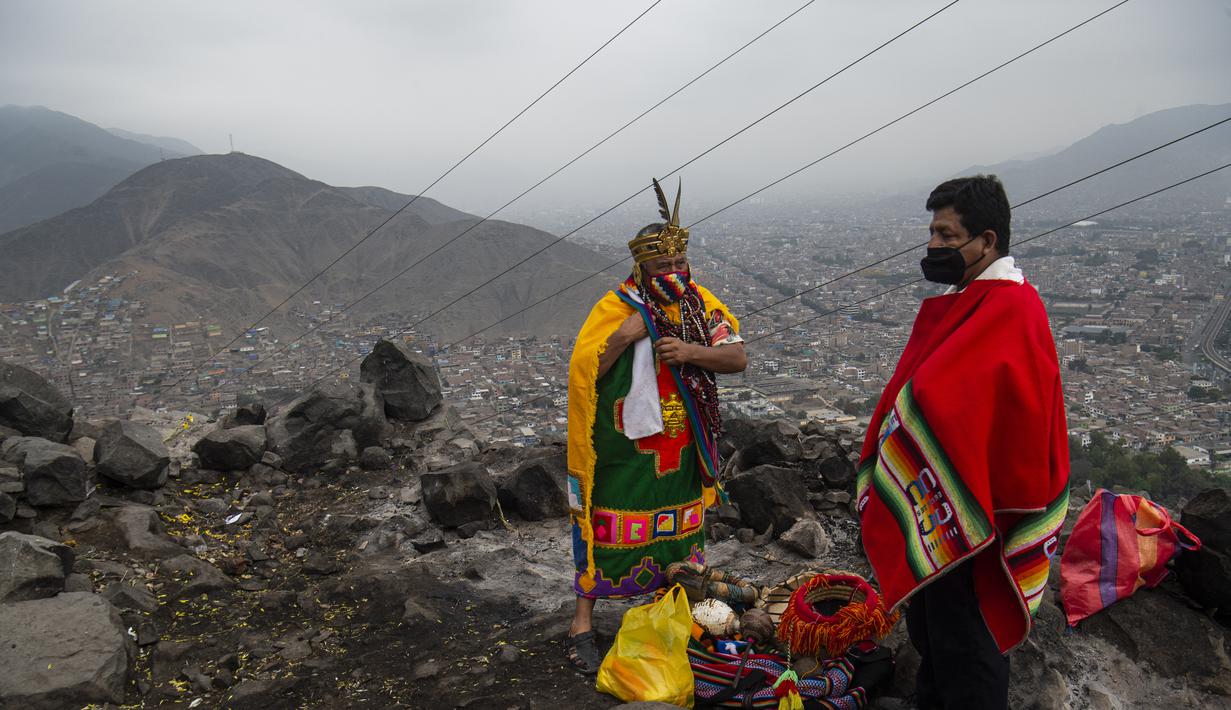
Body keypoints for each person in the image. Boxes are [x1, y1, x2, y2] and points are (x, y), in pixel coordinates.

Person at [855, 175, 1069, 709]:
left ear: (987, 242)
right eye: (933, 232)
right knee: (933, 633)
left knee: (967, 642)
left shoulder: (1011, 310)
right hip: (947, 499)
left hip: (982, 512)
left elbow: (990, 411)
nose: (933, 245)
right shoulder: (969, 298)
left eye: (947, 236)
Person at [563, 178, 747, 673]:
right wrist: (625, 336)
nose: (672, 271)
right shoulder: (615, 307)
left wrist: (690, 352)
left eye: (678, 263)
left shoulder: (701, 304)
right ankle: (583, 621)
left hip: (682, 447)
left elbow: (736, 357)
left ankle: (677, 609)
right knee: (603, 526)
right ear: (641, 267)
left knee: (681, 531)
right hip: (620, 446)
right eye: (661, 265)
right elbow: (584, 372)